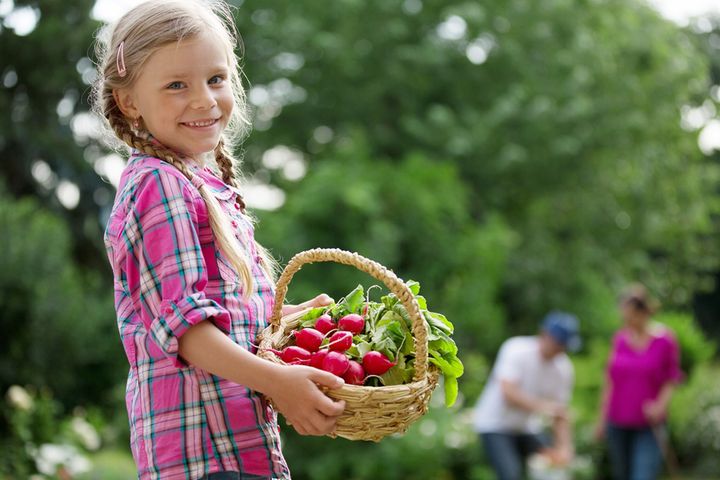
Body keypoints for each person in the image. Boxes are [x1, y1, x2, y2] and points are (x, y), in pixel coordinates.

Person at [92, 1, 346, 478]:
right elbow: (185, 332)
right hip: (202, 451)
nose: (204, 99)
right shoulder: (158, 184)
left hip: (233, 445)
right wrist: (280, 382)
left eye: (215, 79)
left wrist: (284, 322)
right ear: (129, 102)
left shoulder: (200, 184)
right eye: (176, 85)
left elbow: (217, 318)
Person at [473, 312, 580, 480]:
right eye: (558, 343)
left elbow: (560, 414)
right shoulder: (516, 349)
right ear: (545, 334)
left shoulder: (563, 369)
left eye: (564, 345)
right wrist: (546, 407)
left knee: (553, 469)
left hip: (526, 428)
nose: (561, 349)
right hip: (495, 425)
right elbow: (508, 392)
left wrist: (564, 448)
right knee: (510, 474)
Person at [594, 285, 683, 480]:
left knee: (642, 475)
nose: (627, 322)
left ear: (644, 312)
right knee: (622, 474)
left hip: (648, 423)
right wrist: (601, 418)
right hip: (617, 420)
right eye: (624, 317)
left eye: (631, 316)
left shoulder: (665, 340)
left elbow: (672, 378)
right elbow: (610, 380)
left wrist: (660, 405)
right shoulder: (619, 340)